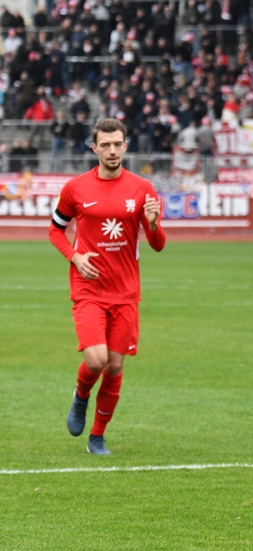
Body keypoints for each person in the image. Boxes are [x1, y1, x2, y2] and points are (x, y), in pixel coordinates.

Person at [50, 118, 166, 456]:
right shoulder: (75, 189)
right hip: (88, 287)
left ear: (125, 146)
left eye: (118, 144)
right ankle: (81, 395)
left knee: (115, 366)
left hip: (126, 292)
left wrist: (155, 223)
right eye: (106, 145)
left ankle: (97, 437)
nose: (112, 150)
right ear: (95, 147)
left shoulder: (142, 189)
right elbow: (55, 230)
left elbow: (158, 244)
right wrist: (74, 257)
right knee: (97, 359)